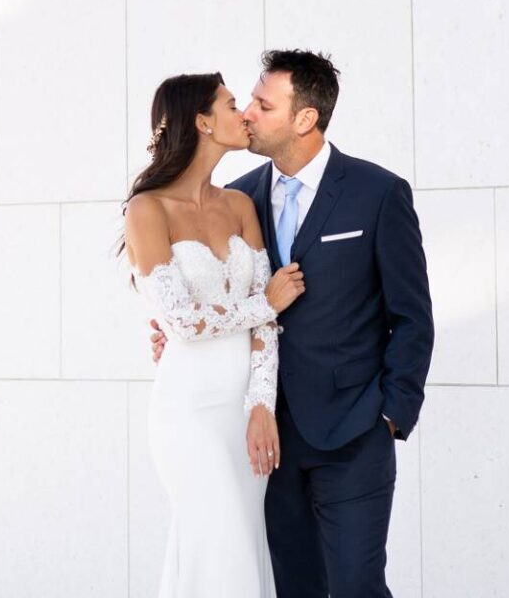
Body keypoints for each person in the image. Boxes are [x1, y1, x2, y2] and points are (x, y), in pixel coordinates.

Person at [232, 51, 433, 598]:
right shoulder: (238, 196)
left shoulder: (378, 193)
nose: (246, 111)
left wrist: (391, 413)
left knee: (356, 588)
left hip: (354, 434)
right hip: (269, 442)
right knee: (296, 588)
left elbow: (412, 317)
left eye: (262, 103)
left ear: (305, 119)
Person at [125, 73, 305, 597]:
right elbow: (180, 320)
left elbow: (268, 325)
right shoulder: (147, 209)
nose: (244, 112)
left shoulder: (240, 205)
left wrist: (261, 406)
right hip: (188, 412)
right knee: (219, 538)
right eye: (231, 104)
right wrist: (261, 302)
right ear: (204, 122)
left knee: (238, 546)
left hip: (242, 413)